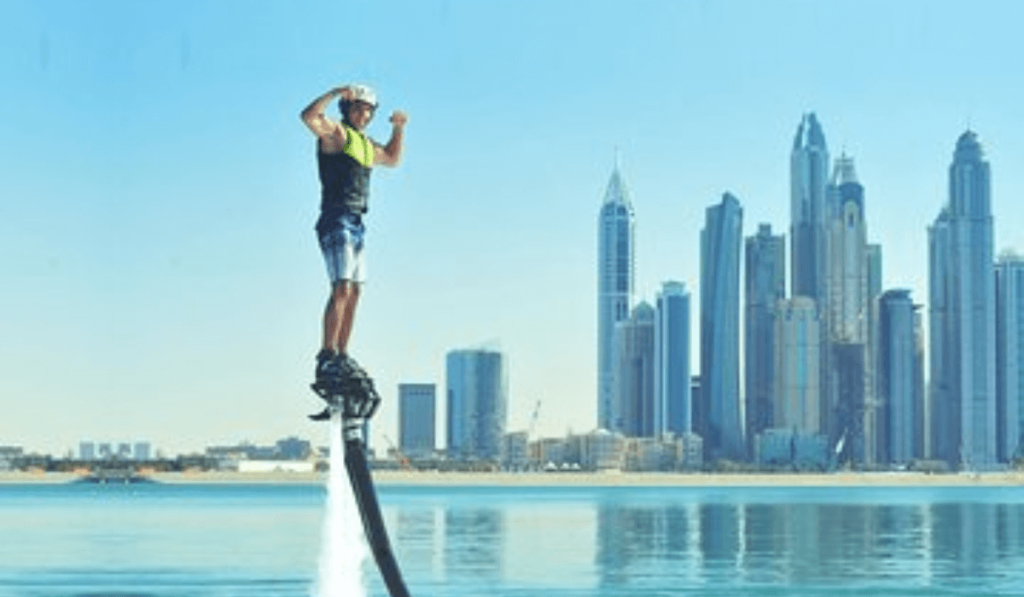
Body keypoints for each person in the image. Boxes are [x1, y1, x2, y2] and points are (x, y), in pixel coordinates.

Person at [300, 84, 407, 392]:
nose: (364, 114)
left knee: (355, 292)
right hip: (336, 218)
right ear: (347, 110)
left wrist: (398, 128)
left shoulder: (365, 144)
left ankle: (343, 354)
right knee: (342, 288)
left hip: (358, 222)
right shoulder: (336, 134)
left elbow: (392, 158)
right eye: (359, 109)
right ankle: (327, 353)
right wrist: (335, 92)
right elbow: (308, 116)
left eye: (369, 111)